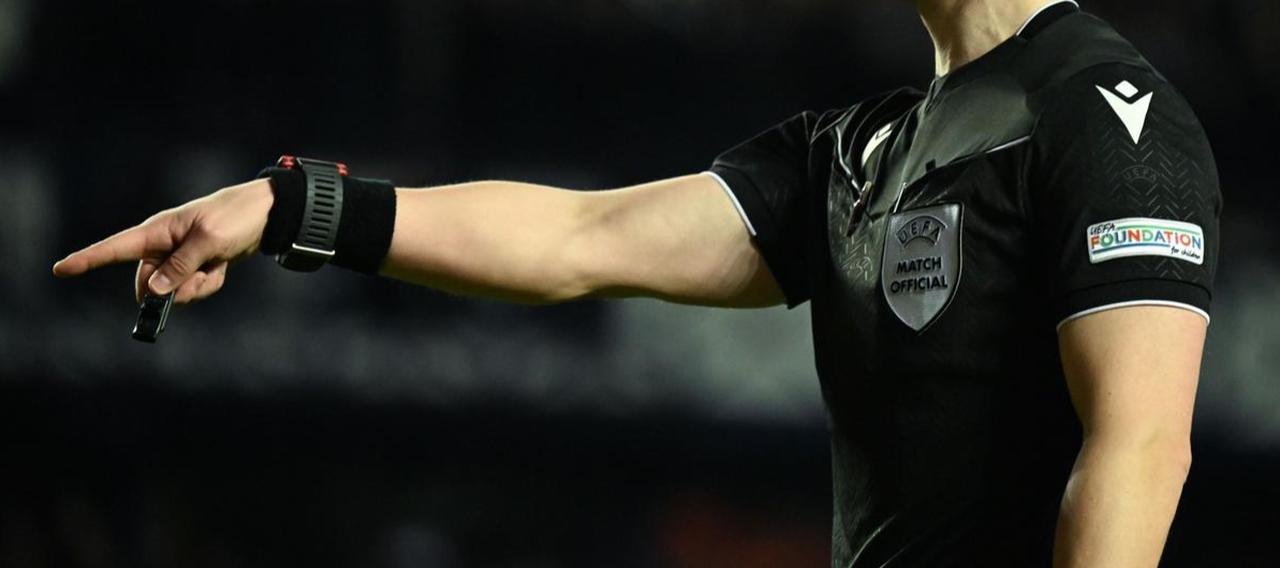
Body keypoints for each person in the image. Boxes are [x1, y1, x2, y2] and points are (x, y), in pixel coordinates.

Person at [53, 0, 1220, 565]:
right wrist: (285, 206)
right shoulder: (859, 149)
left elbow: (1139, 446)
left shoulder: (1108, 121)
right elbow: (582, 237)